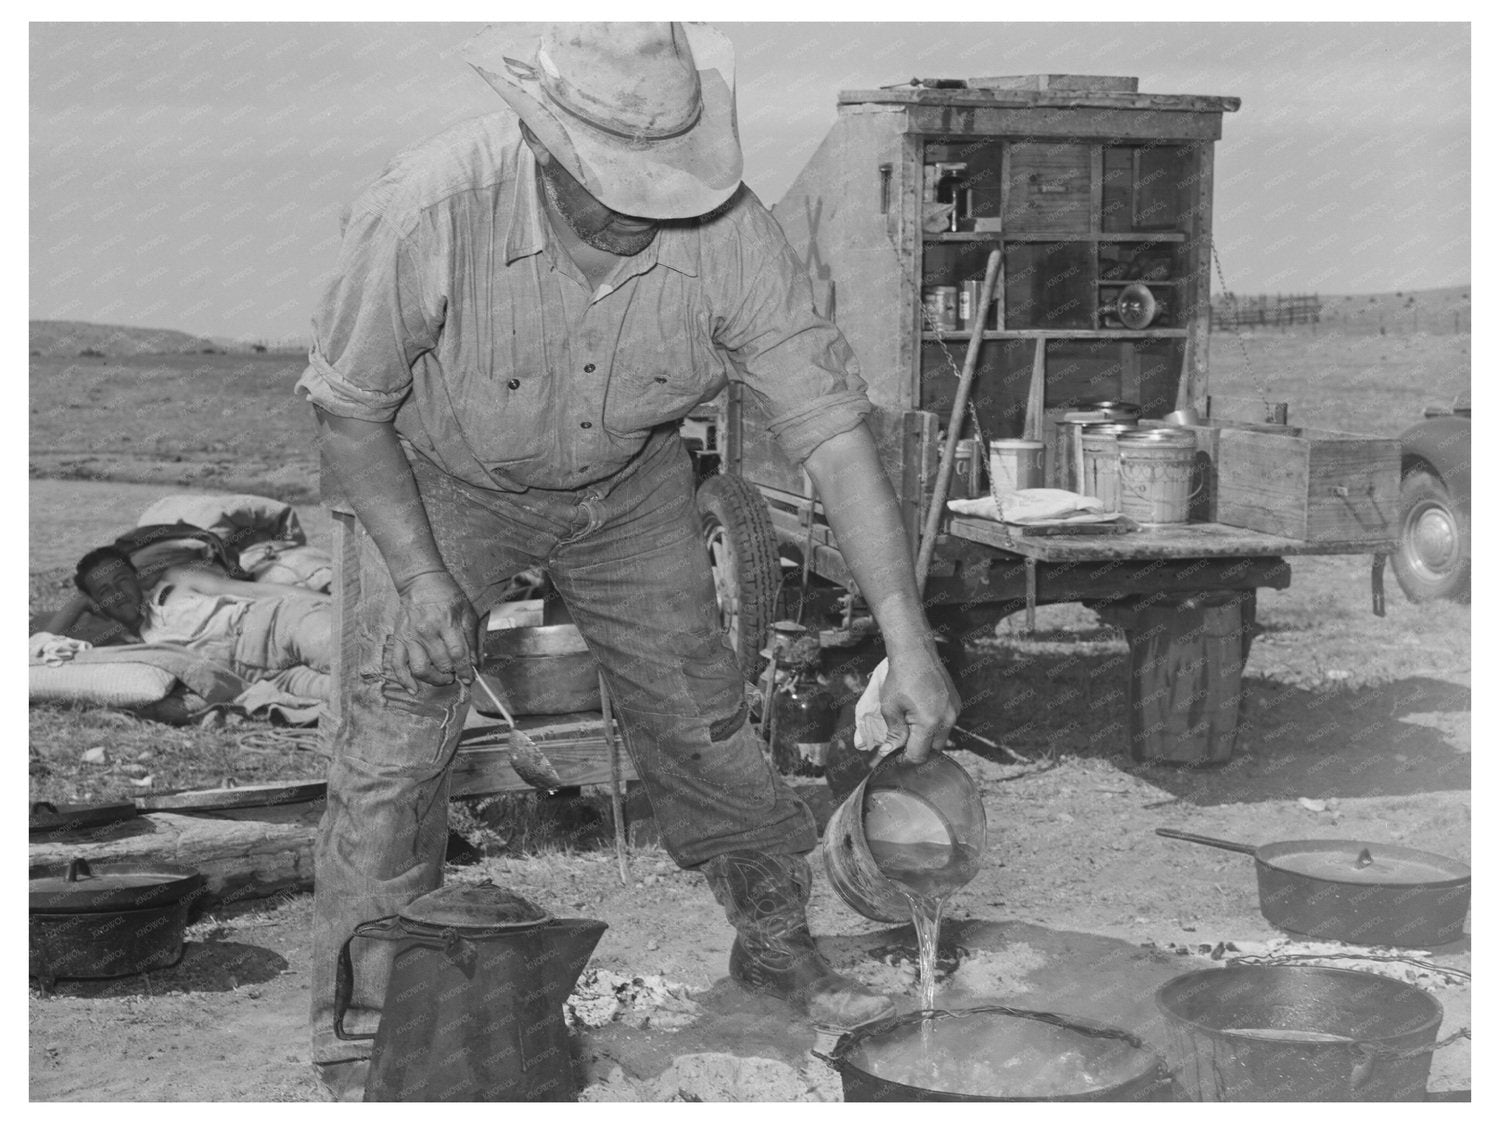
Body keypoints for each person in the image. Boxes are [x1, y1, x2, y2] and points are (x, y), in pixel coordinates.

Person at [297, 22, 958, 1097]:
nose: (643, 211)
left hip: (630, 481)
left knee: (698, 710)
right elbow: (350, 413)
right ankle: (370, 1024)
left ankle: (778, 943)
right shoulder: (428, 207)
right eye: (613, 184)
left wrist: (908, 639)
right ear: (546, 143)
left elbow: (833, 436)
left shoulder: (735, 237)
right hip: (438, 483)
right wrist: (421, 580)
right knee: (396, 741)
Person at [50, 546, 332, 686]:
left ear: (137, 578)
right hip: (266, 677)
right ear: (96, 603)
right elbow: (41, 646)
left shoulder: (174, 583)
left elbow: (252, 591)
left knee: (351, 663)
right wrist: (80, 601)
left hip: (276, 625)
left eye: (122, 581)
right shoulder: (130, 647)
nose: (118, 593)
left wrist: (332, 603)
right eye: (105, 591)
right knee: (354, 696)